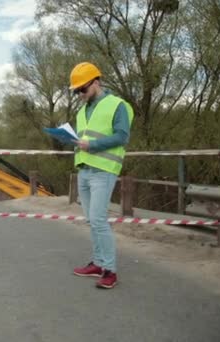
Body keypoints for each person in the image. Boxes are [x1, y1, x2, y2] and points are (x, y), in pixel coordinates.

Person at [69, 62, 134, 289]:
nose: (79, 94)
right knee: (91, 220)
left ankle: (110, 270)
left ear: (96, 82)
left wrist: (92, 145)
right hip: (84, 170)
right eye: (76, 91)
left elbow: (122, 136)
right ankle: (97, 264)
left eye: (82, 89)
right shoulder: (81, 111)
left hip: (103, 171)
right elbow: (83, 140)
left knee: (98, 220)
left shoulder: (118, 105)